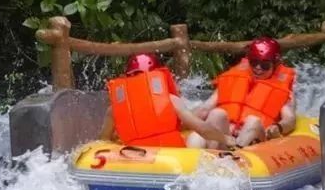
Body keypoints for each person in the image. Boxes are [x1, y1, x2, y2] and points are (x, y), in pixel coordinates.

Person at [98, 52, 238, 151]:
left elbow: (103, 140)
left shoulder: (114, 109)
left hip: (136, 159)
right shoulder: (170, 100)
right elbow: (202, 129)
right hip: (171, 158)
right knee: (196, 138)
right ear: (156, 76)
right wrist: (226, 139)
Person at [194, 37, 297, 147]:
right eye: (254, 62)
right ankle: (209, 155)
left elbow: (290, 119)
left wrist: (278, 127)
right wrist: (180, 121)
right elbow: (204, 109)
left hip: (254, 138)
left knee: (253, 121)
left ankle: (236, 154)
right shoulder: (234, 79)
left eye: (265, 65)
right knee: (216, 114)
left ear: (275, 65)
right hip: (227, 136)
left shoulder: (282, 90)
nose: (258, 68)